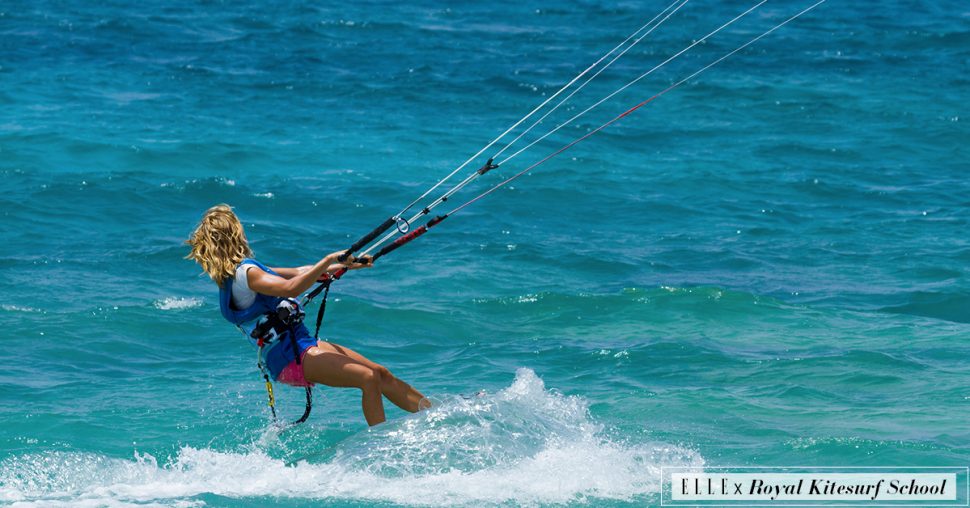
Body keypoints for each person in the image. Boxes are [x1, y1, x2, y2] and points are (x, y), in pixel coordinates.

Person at [185, 204, 429, 426]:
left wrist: (345, 265)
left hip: (299, 344)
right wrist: (326, 260)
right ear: (235, 235)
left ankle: (436, 413)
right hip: (289, 356)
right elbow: (292, 288)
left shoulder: (234, 276)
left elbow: (298, 272)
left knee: (380, 373)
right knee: (367, 378)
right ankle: (380, 446)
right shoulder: (247, 274)